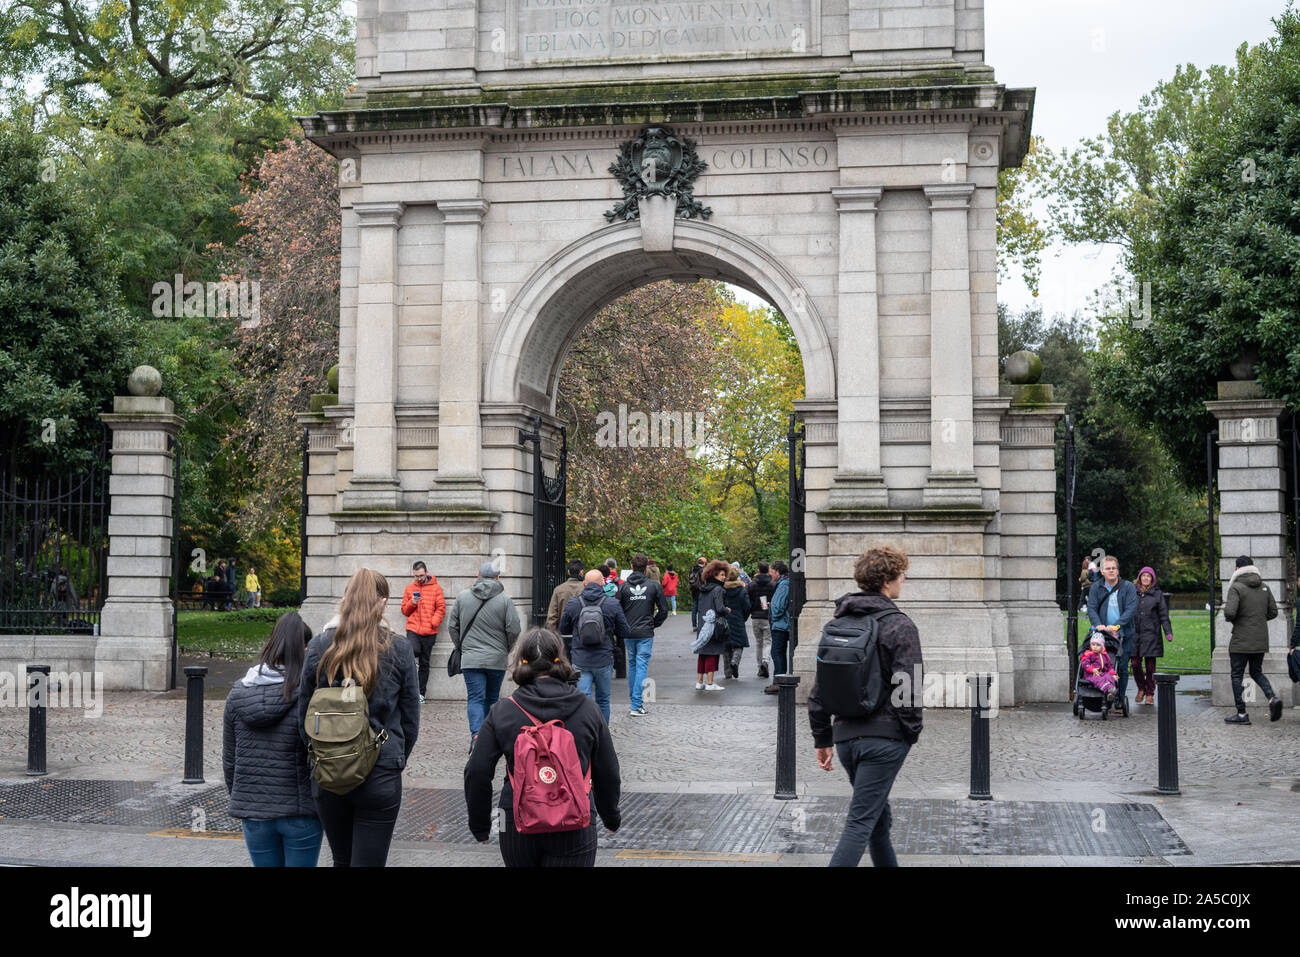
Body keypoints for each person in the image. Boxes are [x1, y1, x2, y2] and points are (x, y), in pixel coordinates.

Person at [464, 628, 621, 866]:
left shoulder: (503, 710)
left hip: (516, 818)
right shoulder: (588, 709)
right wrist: (610, 816)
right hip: (574, 818)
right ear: (561, 659)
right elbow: (607, 770)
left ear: (521, 661)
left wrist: (480, 825)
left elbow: (476, 770)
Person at [808, 546, 922, 868]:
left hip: (846, 739)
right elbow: (909, 688)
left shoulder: (838, 624)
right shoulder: (899, 625)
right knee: (860, 823)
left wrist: (823, 738)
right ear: (887, 581)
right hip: (884, 741)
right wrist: (908, 734)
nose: (903, 580)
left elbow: (820, 688)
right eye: (901, 575)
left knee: (877, 822)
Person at [297, 568, 419, 867]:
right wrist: (395, 758)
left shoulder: (319, 646)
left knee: (342, 859)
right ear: (382, 602)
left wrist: (323, 753)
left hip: (329, 772)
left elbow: (303, 714)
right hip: (380, 771)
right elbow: (410, 720)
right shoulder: (398, 648)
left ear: (346, 600)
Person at [224, 612, 322, 866]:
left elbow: (230, 760)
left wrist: (244, 797)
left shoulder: (238, 693)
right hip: (300, 812)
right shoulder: (309, 693)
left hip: (254, 814)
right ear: (302, 649)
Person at [447, 562, 522, 746]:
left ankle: (476, 736)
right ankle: (490, 736)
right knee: (492, 697)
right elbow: (514, 629)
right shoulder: (505, 600)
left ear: (477, 575)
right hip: (496, 658)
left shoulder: (463, 597)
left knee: (475, 697)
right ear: (497, 577)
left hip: (471, 658)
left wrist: (462, 646)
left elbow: (452, 626)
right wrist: (506, 648)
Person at [560, 570, 630, 722]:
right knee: (603, 700)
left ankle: (585, 733)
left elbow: (563, 629)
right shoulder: (612, 604)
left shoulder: (574, 603)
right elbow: (624, 630)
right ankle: (602, 733)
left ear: (584, 584)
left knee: (583, 700)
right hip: (604, 659)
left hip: (580, 659)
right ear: (603, 583)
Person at [1223, 555, 1284, 724]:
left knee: (1237, 674)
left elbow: (1229, 612)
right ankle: (1272, 698)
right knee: (1256, 672)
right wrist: (1257, 620)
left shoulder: (1236, 587)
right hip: (1260, 640)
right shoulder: (1264, 586)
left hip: (1241, 640)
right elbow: (1273, 612)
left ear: (1237, 569)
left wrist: (1236, 620)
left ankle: (1242, 714)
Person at [616, 553, 669, 716]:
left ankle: (635, 702)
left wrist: (622, 625)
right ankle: (636, 705)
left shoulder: (623, 587)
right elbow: (663, 609)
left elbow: (617, 609)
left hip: (629, 631)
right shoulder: (653, 586)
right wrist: (654, 623)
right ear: (646, 568)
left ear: (632, 567)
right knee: (641, 666)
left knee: (632, 665)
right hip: (645, 631)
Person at [1086, 555, 1137, 714]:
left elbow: (1131, 608)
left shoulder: (1127, 587)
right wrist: (1098, 624)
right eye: (1108, 568)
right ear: (1102, 571)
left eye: (1114, 568)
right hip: (1102, 635)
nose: (1111, 571)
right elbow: (1092, 607)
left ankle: (1119, 699)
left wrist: (1117, 625)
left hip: (1123, 634)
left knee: (1121, 667)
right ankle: (1102, 694)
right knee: (1100, 665)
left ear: (1118, 570)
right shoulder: (1096, 587)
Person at [399, 560, 446, 704]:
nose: (418, 578)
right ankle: (409, 687)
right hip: (413, 629)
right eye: (416, 576)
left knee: (425, 663)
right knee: (413, 651)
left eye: (420, 575)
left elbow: (441, 608)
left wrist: (434, 622)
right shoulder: (409, 588)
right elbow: (404, 611)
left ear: (426, 572)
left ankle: (420, 694)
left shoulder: (436, 588)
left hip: (430, 631)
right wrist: (412, 602)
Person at [1131, 566, 1173, 705]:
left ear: (1152, 579)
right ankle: (1141, 688)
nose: (1146, 578)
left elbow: (1163, 614)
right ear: (1140, 577)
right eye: (1144, 576)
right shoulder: (1133, 592)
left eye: (1148, 576)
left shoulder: (1157, 594)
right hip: (1135, 634)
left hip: (1151, 634)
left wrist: (1168, 631)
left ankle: (1150, 693)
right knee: (1135, 664)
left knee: (1150, 667)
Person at [694, 560, 731, 691]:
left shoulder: (702, 589)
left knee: (702, 653)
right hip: (714, 627)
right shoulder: (718, 589)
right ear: (714, 575)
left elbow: (699, 608)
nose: (724, 577)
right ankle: (710, 683)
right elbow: (720, 608)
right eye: (721, 574)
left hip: (703, 624)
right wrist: (728, 610)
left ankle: (699, 682)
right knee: (712, 653)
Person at [721, 564, 751, 680]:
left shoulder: (722, 590)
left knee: (726, 646)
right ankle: (735, 661)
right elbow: (747, 606)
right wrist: (743, 617)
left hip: (725, 619)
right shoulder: (742, 590)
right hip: (738, 618)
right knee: (739, 645)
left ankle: (727, 672)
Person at [764, 560, 790, 694]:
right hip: (782, 623)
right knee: (779, 652)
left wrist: (773, 614)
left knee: (777, 652)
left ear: (778, 572)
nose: (771, 576)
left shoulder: (783, 585)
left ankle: (779, 682)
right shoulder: (784, 583)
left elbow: (779, 607)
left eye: (772, 573)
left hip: (780, 625)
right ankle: (780, 680)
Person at [747, 561, 776, 679]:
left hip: (755, 616)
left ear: (758, 570)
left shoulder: (752, 585)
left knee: (759, 643)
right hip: (767, 616)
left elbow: (747, 600)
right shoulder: (773, 585)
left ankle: (760, 667)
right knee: (768, 641)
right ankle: (765, 661)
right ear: (768, 570)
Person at [547, 559, 586, 639]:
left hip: (562, 635)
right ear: (581, 572)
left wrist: (552, 637)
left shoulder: (558, 589)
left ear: (568, 572)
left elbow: (552, 616)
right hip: (582, 634)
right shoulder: (586, 589)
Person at [1080, 632, 1118, 705]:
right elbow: (1085, 664)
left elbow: (1109, 666)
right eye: (1093, 644)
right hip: (1091, 674)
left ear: (1102, 646)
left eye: (1098, 645)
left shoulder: (1105, 655)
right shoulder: (1089, 654)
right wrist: (1092, 669)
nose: (1095, 647)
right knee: (1098, 679)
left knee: (1109, 677)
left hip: (1103, 673)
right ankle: (1109, 690)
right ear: (1090, 645)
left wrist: (1112, 674)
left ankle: (1112, 691)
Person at [688, 556, 707, 631]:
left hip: (693, 590)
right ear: (704, 563)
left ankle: (694, 625)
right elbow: (704, 581)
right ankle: (700, 625)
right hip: (700, 590)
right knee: (700, 609)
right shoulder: (702, 570)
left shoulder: (692, 569)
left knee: (694, 608)